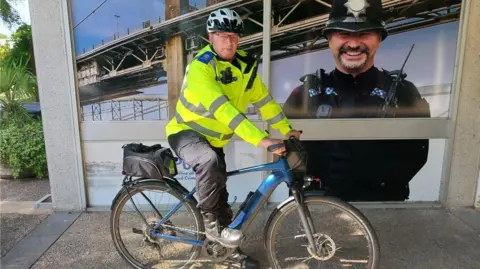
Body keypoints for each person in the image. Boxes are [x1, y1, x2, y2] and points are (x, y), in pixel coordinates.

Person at [165, 7, 301, 268]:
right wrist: (261, 140)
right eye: (223, 35)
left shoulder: (245, 67)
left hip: (216, 140)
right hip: (186, 133)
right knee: (208, 162)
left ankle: (228, 252)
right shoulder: (200, 68)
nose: (229, 41)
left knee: (222, 200)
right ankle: (210, 225)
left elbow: (265, 102)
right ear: (210, 37)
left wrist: (286, 129)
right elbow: (224, 111)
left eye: (234, 36)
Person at [282, 0, 430, 201]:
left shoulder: (403, 93)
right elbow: (286, 152)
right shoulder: (304, 95)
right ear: (329, 39)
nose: (353, 44)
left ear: (379, 38)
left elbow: (416, 155)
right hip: (319, 209)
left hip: (384, 209)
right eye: (343, 34)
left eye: (364, 34)